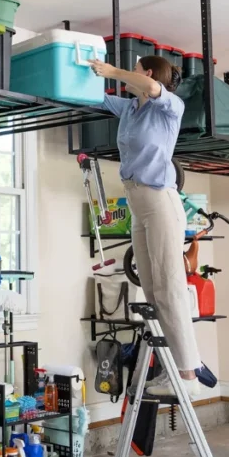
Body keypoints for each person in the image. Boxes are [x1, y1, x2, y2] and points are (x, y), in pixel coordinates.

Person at [89, 54, 202, 398]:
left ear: (147, 72)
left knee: (169, 287)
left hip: (160, 201)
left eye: (134, 70)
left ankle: (188, 376)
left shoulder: (170, 108)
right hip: (137, 204)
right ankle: (175, 367)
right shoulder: (129, 109)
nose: (129, 76)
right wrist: (81, 68)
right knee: (152, 291)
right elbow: (90, 97)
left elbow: (152, 88)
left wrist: (110, 71)